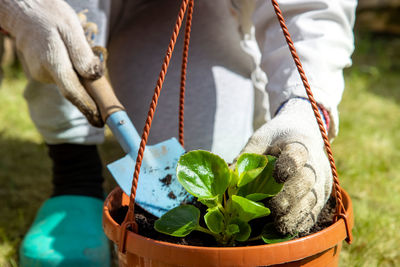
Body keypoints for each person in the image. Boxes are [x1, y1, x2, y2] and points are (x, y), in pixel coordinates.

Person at [0, 0, 357, 265]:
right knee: (59, 40)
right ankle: (74, 179)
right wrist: (17, 7)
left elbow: (313, 8)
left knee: (204, 160)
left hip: (189, 10)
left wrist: (305, 108)